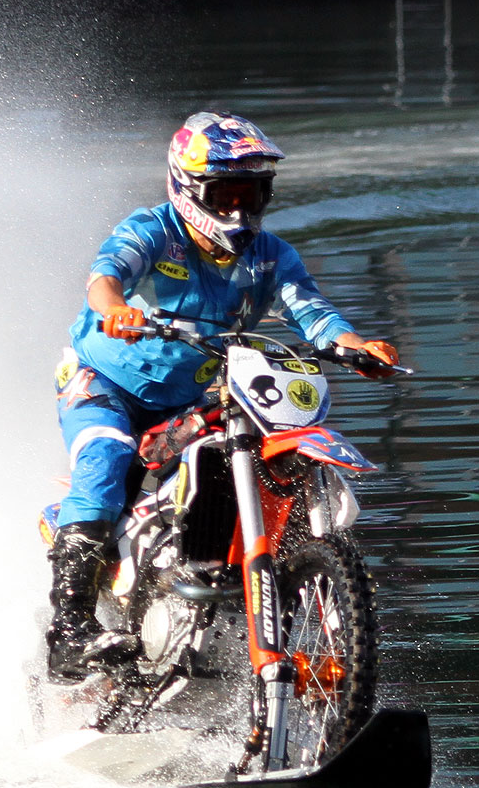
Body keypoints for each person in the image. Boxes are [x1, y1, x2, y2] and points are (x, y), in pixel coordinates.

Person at [45, 112, 400, 683]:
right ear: (188, 189)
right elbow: (105, 276)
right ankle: (69, 634)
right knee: (106, 458)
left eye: (252, 194)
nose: (239, 210)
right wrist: (116, 311)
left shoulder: (271, 255)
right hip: (107, 385)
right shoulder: (152, 230)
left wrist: (356, 346)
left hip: (200, 393)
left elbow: (310, 310)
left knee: (255, 455)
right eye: (226, 193)